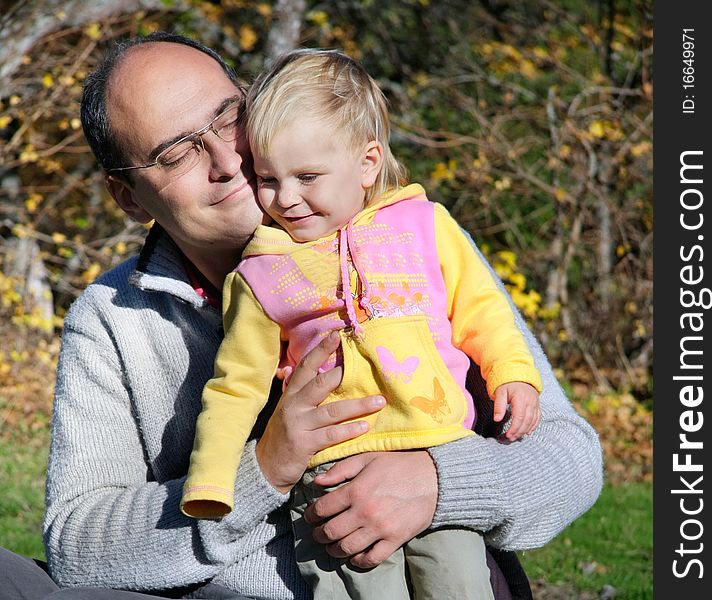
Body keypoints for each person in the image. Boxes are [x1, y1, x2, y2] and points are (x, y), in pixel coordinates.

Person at [0, 32, 603, 599]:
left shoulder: (407, 241)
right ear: (129, 197)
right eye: (175, 152)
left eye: (228, 117)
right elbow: (78, 545)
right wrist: (262, 471)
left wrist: (438, 482)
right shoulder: (114, 318)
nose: (225, 161)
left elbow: (570, 456)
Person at [180, 48, 544, 600]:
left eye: (307, 176)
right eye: (268, 178)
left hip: (435, 451)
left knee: (460, 583)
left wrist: (514, 374)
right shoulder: (262, 274)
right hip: (330, 471)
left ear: (368, 163)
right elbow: (236, 383)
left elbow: (482, 311)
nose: (285, 198)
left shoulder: (425, 226)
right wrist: (212, 476)